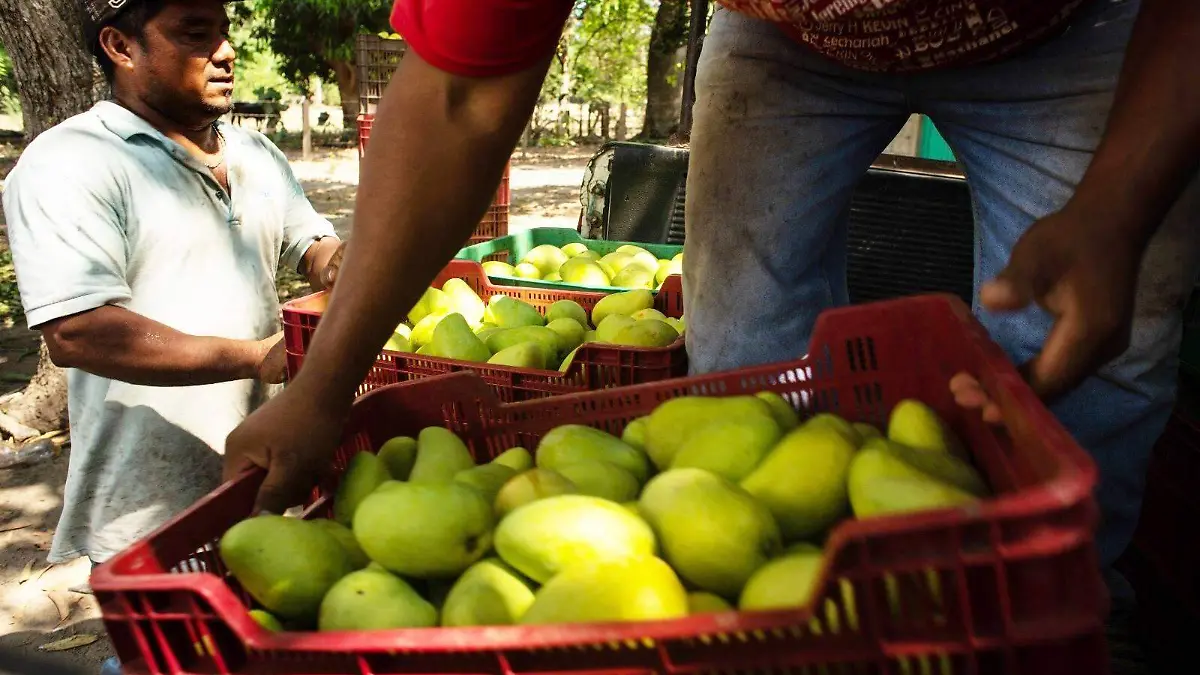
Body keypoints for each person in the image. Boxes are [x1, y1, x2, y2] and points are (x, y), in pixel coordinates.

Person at [225, 0, 1200, 583]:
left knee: (1088, 369)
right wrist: (324, 381)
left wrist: (1117, 207)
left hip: (1078, 28)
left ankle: (1068, 596)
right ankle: (792, 610)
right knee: (744, 360)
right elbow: (457, 97)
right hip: (789, 35)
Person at [4, 0, 342, 578]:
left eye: (224, 32)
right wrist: (259, 357)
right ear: (121, 47)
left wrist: (367, 264)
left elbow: (314, 247)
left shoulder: (255, 154)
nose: (226, 51)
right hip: (149, 502)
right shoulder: (70, 162)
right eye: (195, 34)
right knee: (165, 659)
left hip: (258, 470)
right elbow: (79, 333)